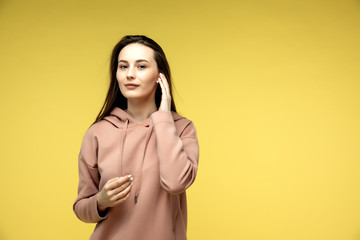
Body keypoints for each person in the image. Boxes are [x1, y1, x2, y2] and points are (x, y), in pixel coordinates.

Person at [73, 35, 200, 240]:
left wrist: (164, 118)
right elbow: (81, 207)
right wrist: (101, 201)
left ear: (160, 76)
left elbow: (176, 183)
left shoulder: (182, 128)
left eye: (141, 66)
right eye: (123, 66)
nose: (130, 74)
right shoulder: (97, 132)